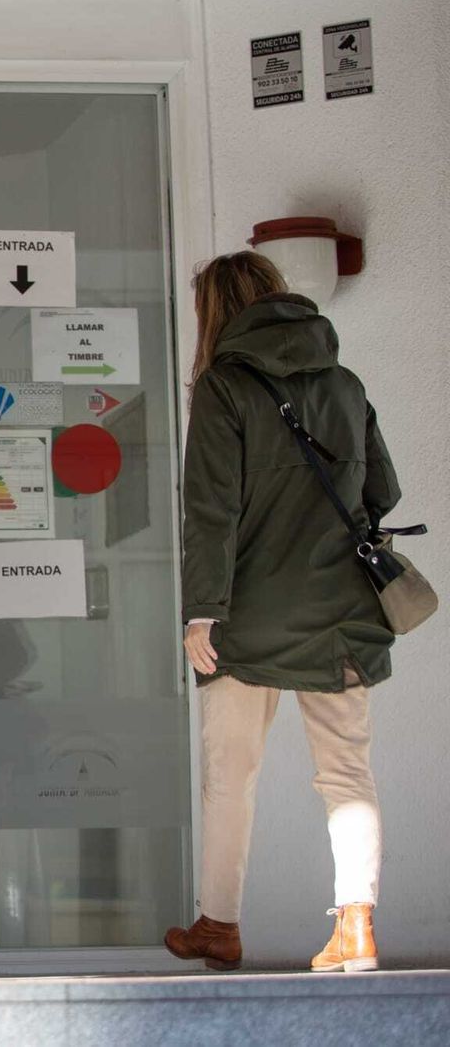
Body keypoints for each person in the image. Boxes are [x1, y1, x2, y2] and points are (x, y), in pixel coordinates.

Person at [165, 251, 398, 974]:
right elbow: (383, 491)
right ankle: (355, 928)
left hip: (247, 618)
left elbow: (210, 510)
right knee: (346, 774)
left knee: (230, 775)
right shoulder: (344, 383)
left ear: (215, 311)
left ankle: (219, 926)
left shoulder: (223, 387)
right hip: (342, 612)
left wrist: (202, 611)